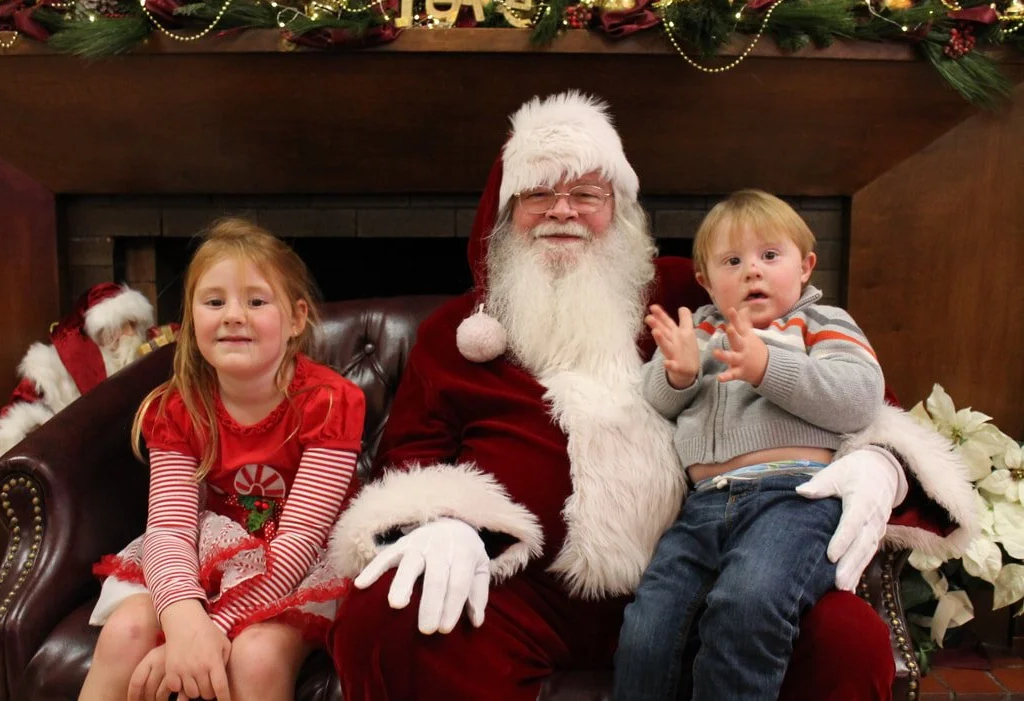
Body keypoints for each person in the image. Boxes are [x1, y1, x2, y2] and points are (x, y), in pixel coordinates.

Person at [327, 91, 977, 701]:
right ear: (503, 215)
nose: (563, 211)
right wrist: (442, 521)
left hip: (711, 572)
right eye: (539, 194)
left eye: (587, 192)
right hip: (519, 593)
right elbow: (410, 457)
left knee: (843, 637)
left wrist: (880, 461)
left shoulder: (690, 294)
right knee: (380, 619)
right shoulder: (454, 336)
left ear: (620, 211)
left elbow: (856, 385)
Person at [614, 190, 894, 700]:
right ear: (705, 280)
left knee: (748, 602)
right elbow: (655, 403)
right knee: (648, 624)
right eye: (732, 261)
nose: (752, 272)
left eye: (770, 256)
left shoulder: (822, 324)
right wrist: (676, 374)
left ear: (805, 266)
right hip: (702, 508)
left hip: (794, 499)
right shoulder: (698, 332)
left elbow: (858, 399)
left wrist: (768, 368)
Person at [78, 218, 366, 701]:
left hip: (296, 565)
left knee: (255, 657)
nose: (233, 315)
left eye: (256, 301)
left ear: (296, 319)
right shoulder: (178, 406)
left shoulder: (331, 403)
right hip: (208, 551)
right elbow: (169, 530)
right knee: (126, 632)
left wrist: (209, 631)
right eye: (214, 302)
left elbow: (299, 541)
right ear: (191, 318)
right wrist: (183, 619)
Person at [0, 282, 156, 459]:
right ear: (100, 331)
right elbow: (16, 417)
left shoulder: (148, 353)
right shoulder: (53, 366)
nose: (130, 334)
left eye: (133, 325)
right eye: (121, 325)